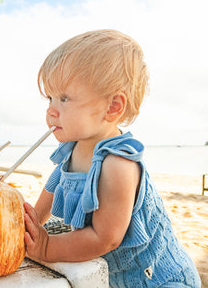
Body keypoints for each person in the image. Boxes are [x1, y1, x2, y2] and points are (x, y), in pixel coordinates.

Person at [23, 29, 201, 287]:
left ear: (113, 107)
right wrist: (28, 226)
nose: (51, 110)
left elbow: (105, 239)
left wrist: (47, 246)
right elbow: (50, 194)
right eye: (50, 97)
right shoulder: (73, 150)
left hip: (159, 280)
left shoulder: (119, 164)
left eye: (64, 98)